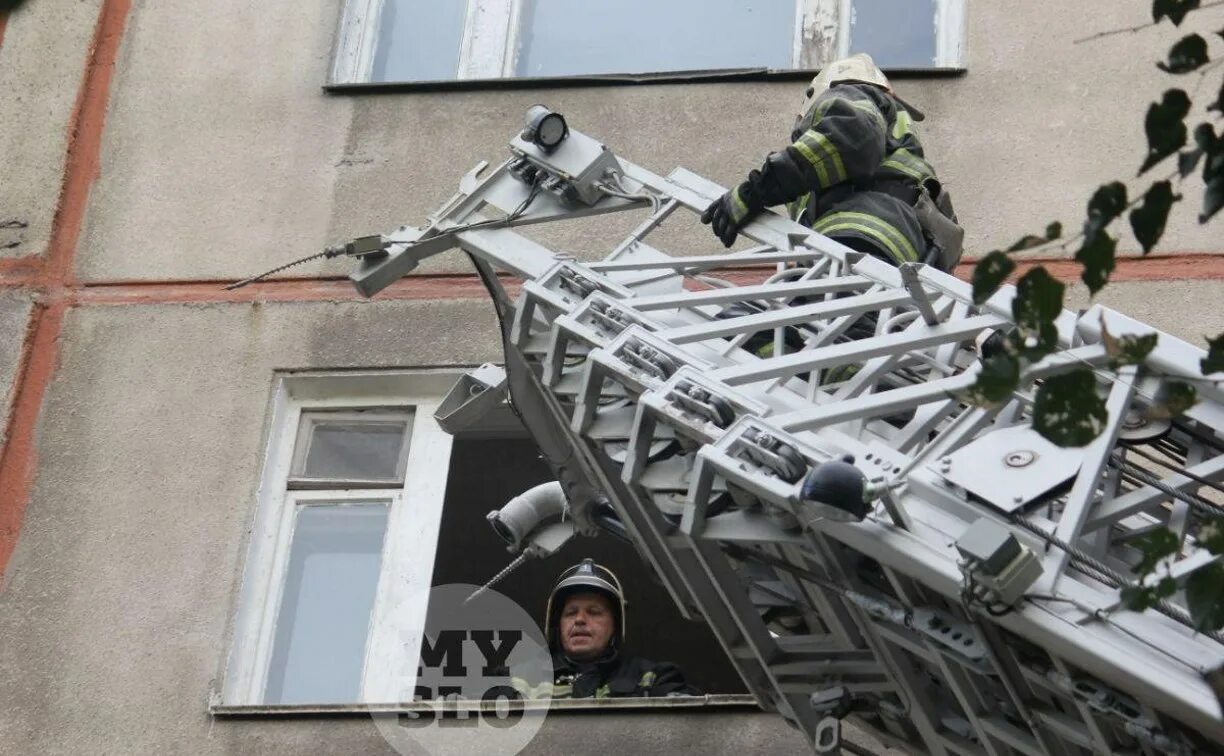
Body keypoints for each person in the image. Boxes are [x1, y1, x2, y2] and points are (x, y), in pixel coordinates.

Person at [700, 53, 963, 273]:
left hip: (854, 241)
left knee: (755, 318)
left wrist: (754, 191)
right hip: (896, 268)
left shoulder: (852, 93)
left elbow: (852, 137)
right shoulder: (906, 164)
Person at [543, 559, 697, 698]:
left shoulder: (656, 678)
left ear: (615, 625)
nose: (579, 620)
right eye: (571, 613)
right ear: (557, 624)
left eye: (593, 612)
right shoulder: (529, 677)